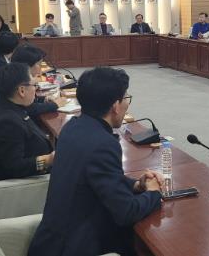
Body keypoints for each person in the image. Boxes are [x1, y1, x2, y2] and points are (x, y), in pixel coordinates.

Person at [28, 67, 163, 256]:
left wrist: (136, 185)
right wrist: (154, 193)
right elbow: (126, 212)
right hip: (75, 247)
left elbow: (97, 179)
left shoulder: (71, 127)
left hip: (51, 242)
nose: (127, 104)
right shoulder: (103, 144)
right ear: (115, 106)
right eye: (126, 98)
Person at [0, 63, 54, 181]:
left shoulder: (7, 107)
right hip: (19, 186)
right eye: (34, 85)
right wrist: (48, 160)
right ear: (22, 90)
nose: (35, 89)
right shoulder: (7, 123)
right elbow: (15, 167)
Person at [10, 44, 62, 118]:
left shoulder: (15, 76)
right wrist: (55, 105)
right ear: (27, 66)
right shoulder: (20, 83)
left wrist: (44, 99)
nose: (40, 69)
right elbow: (30, 109)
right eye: (39, 64)